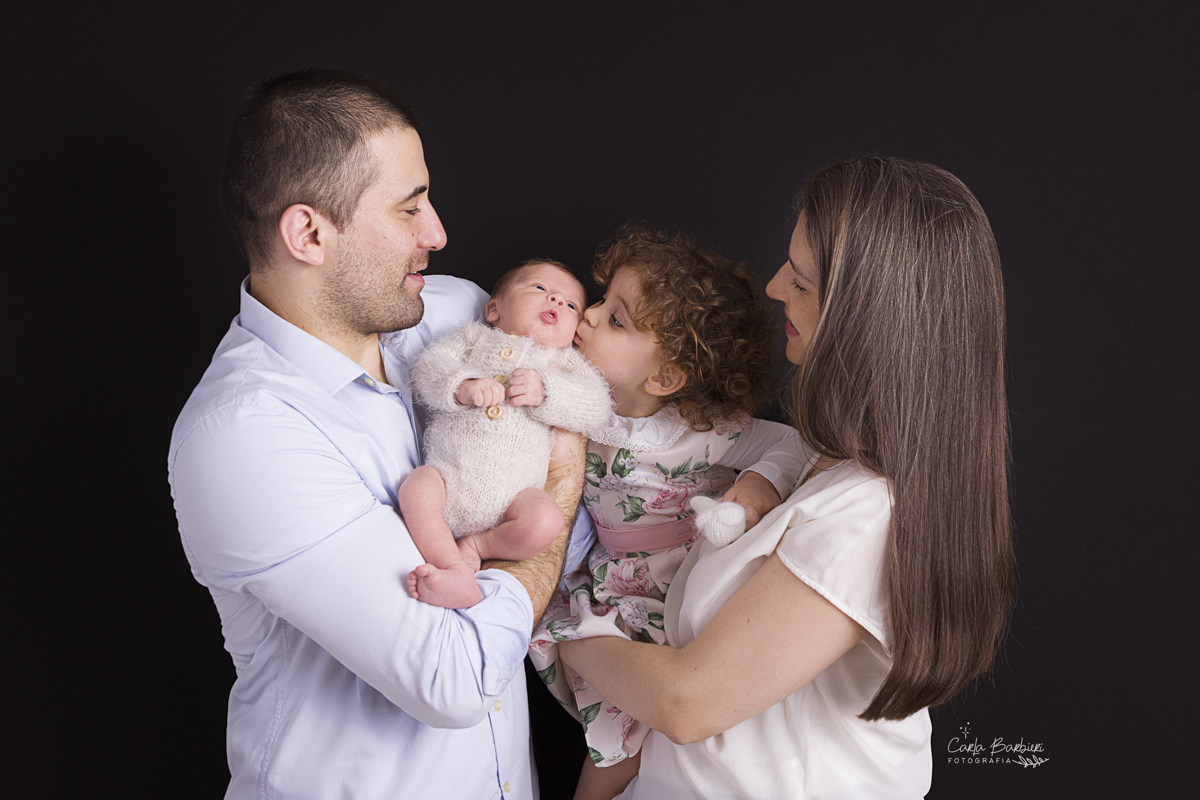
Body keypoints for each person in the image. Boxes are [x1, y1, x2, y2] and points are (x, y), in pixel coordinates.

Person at [168, 69, 583, 799]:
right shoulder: (244, 435)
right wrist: (563, 476)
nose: (437, 234)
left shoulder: (455, 312)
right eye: (408, 208)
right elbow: (457, 678)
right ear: (309, 233)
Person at [557, 158, 1015, 799]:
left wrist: (563, 634)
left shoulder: (867, 515)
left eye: (800, 281)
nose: (774, 287)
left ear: (864, 319)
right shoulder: (821, 461)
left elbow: (686, 703)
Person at [528, 226, 809, 800]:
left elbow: (796, 446)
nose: (588, 314)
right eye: (602, 301)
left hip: (668, 593)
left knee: (621, 735)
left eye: (615, 320)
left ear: (663, 377)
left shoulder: (705, 432)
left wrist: (757, 485)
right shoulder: (574, 396)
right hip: (604, 577)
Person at [401, 259, 612, 608]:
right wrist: (462, 385)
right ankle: (453, 568)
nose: (557, 301)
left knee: (546, 522)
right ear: (494, 309)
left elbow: (596, 405)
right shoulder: (472, 337)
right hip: (447, 481)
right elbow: (430, 367)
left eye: (571, 305)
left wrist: (548, 391)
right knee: (416, 488)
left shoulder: (565, 364)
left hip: (514, 504)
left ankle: (476, 547)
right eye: (541, 288)